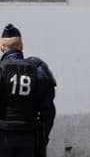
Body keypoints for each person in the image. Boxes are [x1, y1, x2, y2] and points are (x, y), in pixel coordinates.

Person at [0, 24, 56, 157]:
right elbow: (48, 113)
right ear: (21, 45)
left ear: (2, 48)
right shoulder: (38, 70)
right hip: (30, 140)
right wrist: (41, 140)